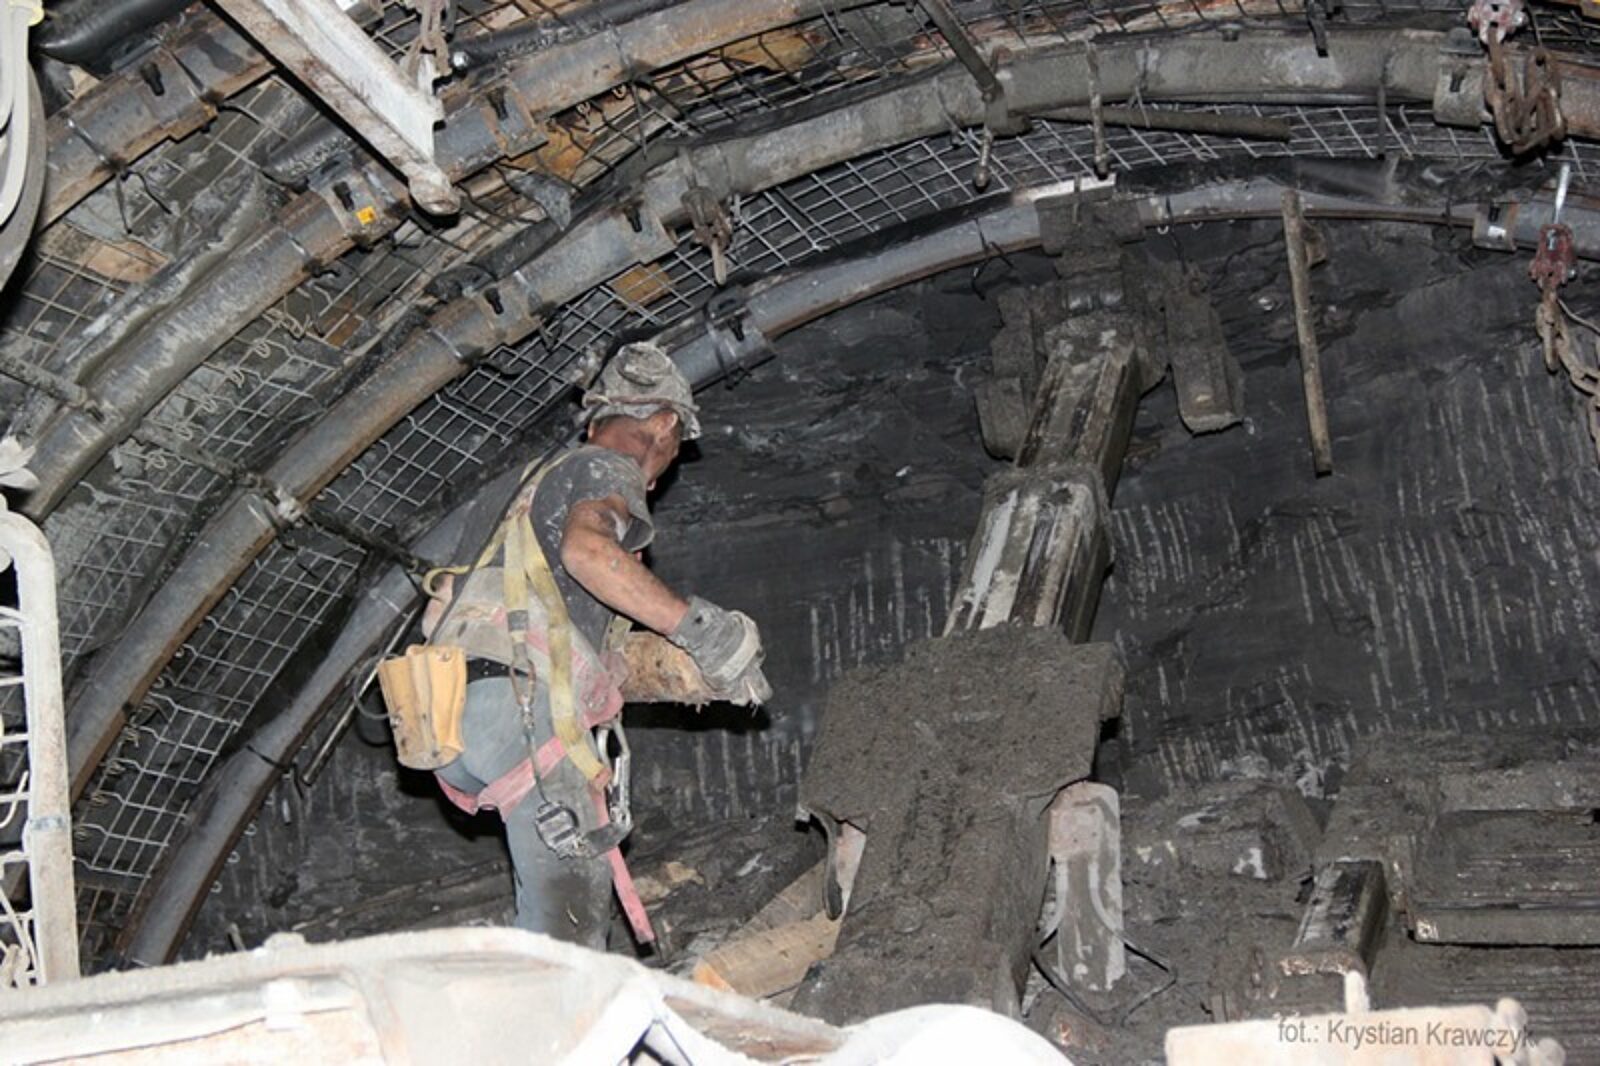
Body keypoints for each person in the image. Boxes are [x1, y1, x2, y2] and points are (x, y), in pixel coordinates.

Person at [419, 341, 771, 949]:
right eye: (676, 447)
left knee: (544, 926)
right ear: (665, 424)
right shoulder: (609, 468)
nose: (664, 470)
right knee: (571, 942)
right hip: (521, 719)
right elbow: (587, 552)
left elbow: (438, 611)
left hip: (446, 722)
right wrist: (702, 632)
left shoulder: (512, 492)